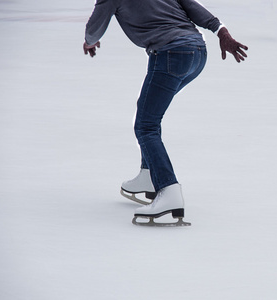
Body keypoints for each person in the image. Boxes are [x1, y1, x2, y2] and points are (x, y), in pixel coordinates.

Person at [83, 0, 248, 225]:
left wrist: (89, 42)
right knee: (148, 114)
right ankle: (148, 175)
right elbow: (191, 6)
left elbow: (94, 28)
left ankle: (168, 190)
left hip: (170, 54)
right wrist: (221, 32)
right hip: (197, 53)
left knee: (146, 125)